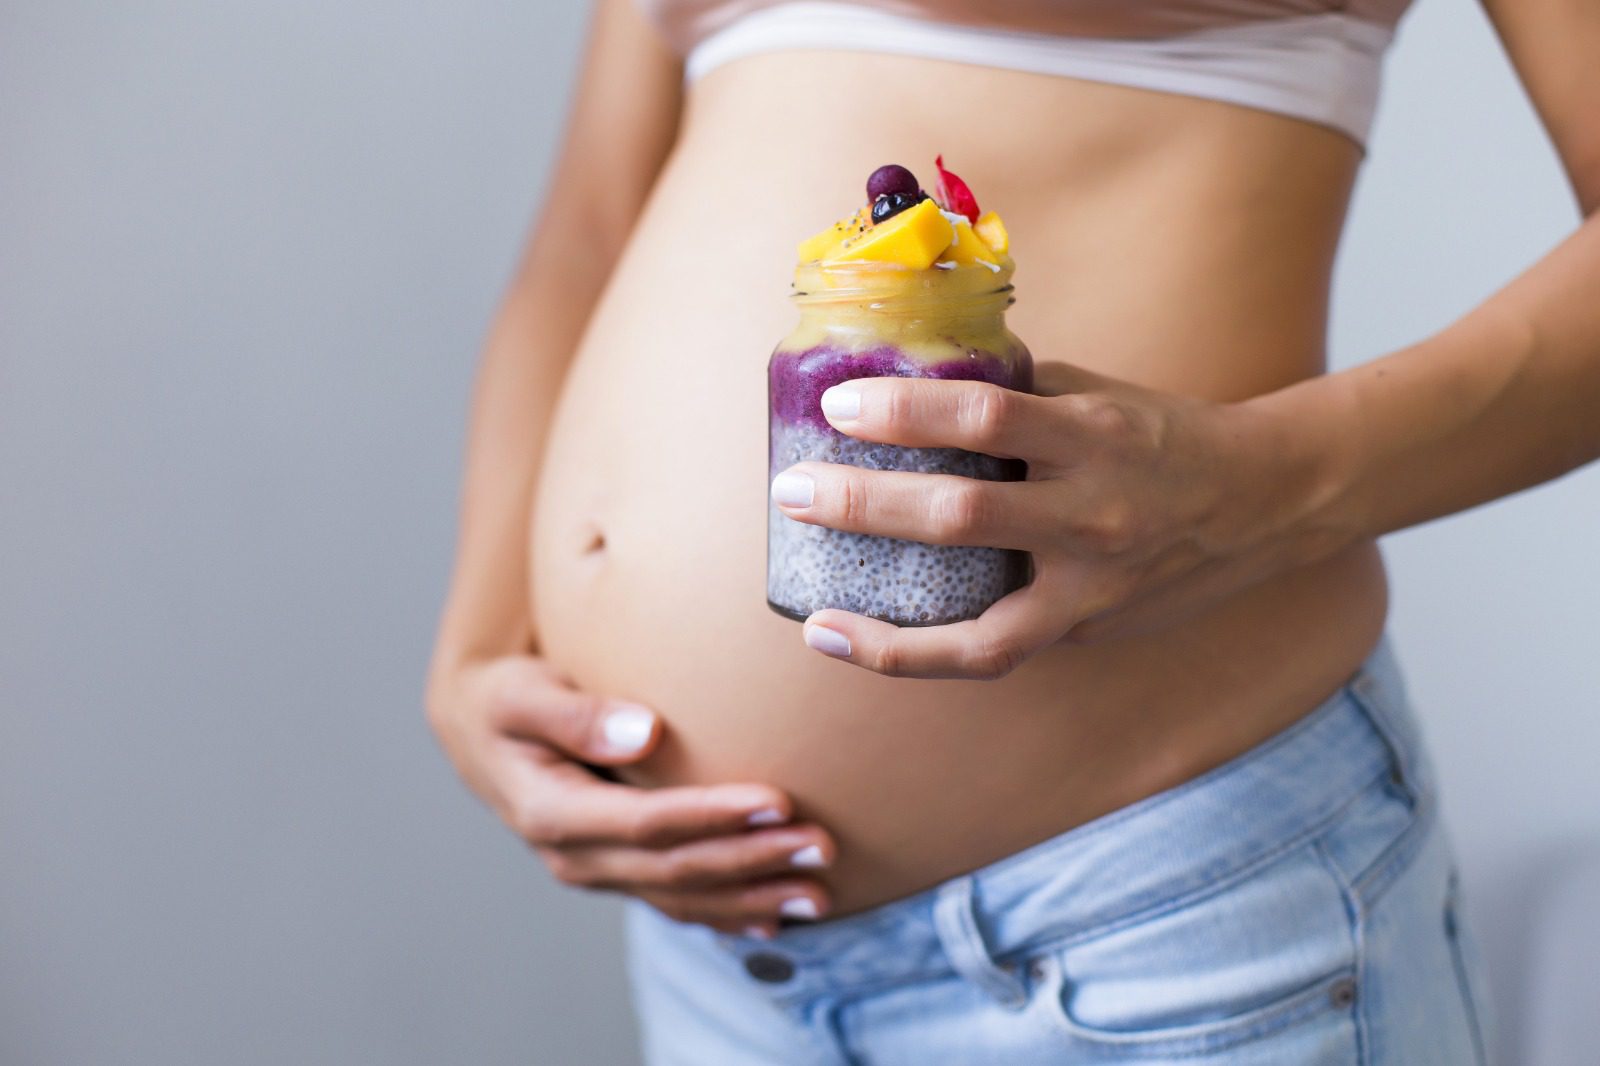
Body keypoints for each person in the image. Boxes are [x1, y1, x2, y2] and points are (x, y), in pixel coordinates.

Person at [426, 0, 1598, 1061]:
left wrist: (1257, 487)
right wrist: (481, 640)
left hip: (1165, 928)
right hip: (725, 971)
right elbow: (589, 219)